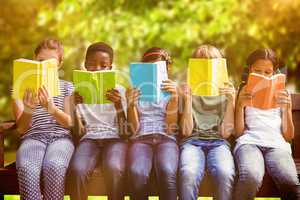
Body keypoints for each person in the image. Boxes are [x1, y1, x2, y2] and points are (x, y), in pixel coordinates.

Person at [234, 48, 300, 200]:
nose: (262, 76)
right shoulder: (242, 91)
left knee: (290, 181)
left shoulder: (283, 93)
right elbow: (238, 133)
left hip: (277, 145)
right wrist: (239, 106)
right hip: (249, 143)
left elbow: (288, 136)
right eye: (257, 71)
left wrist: (288, 109)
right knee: (251, 176)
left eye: (267, 72)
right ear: (249, 69)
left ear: (274, 73)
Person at [13, 38, 74, 200]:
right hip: (33, 138)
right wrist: (29, 109)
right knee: (27, 168)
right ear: (34, 60)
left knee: (55, 165)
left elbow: (70, 123)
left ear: (59, 65)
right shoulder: (20, 87)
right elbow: (21, 129)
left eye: (51, 63)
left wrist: (52, 109)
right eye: (40, 61)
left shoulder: (67, 87)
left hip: (61, 138)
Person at [68, 42, 128, 200]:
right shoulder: (78, 92)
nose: (98, 69)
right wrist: (74, 108)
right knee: (77, 170)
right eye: (92, 64)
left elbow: (125, 133)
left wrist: (118, 106)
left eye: (104, 65)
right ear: (85, 66)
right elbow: (78, 133)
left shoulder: (120, 91)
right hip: (89, 139)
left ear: (110, 68)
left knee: (114, 168)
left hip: (115, 139)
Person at [178, 44, 236, 200]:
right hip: (192, 142)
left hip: (219, 143)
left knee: (225, 173)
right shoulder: (187, 92)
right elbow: (186, 132)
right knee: (188, 173)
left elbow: (225, 133)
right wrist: (188, 99)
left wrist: (231, 101)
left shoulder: (226, 92)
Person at [127, 47, 179, 200]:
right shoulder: (136, 90)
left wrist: (174, 100)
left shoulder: (172, 90)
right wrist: (131, 105)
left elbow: (170, 129)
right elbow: (134, 129)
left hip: (166, 139)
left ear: (167, 68)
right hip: (141, 139)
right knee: (137, 172)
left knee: (167, 170)